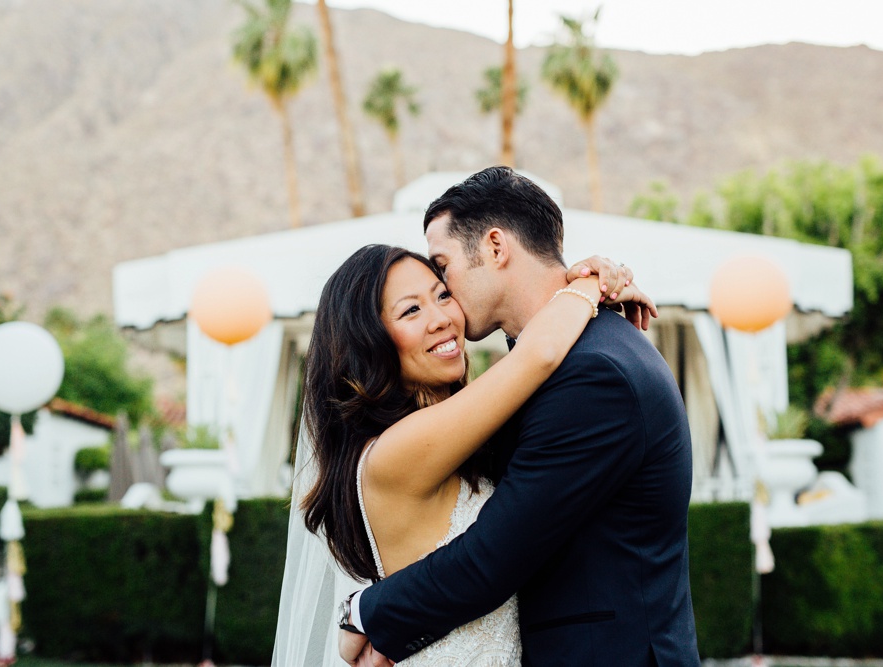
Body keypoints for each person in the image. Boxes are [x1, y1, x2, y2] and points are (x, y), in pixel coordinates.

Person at [337, 167, 700, 667]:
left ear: (494, 247)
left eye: (443, 270)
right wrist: (589, 285)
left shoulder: (592, 374)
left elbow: (495, 556)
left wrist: (367, 612)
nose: (445, 298)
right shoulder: (566, 361)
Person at [278, 233, 652, 667]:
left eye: (442, 295)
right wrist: (592, 281)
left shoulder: (453, 440)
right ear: (368, 341)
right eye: (411, 310)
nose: (441, 318)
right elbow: (539, 354)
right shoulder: (396, 450)